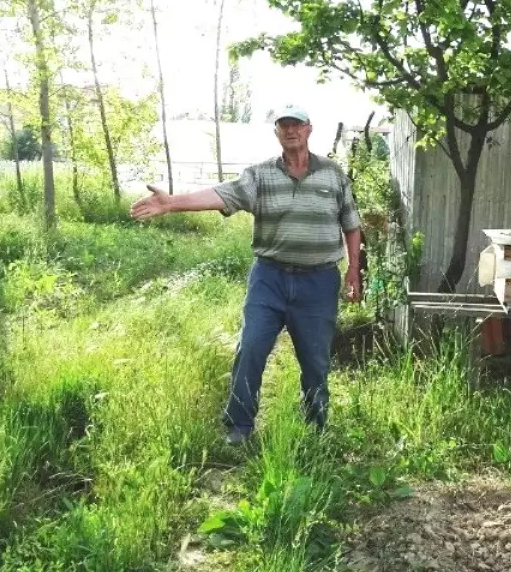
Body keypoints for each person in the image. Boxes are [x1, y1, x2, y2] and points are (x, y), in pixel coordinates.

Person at [130, 105, 363, 444]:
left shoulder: (333, 174)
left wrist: (353, 271)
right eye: (283, 124)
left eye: (296, 123)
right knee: (251, 347)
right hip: (270, 278)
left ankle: (315, 424)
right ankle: (239, 426)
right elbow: (222, 194)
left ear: (309, 129)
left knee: (316, 359)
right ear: (277, 132)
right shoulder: (260, 176)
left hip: (319, 281)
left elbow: (352, 225)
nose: (290, 130)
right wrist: (173, 203)